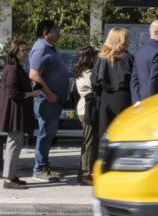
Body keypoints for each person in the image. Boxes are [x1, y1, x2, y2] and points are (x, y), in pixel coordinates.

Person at [28, 20, 70, 182]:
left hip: (53, 101)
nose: (58, 32)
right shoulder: (40, 48)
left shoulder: (48, 48)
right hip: (47, 101)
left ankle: (44, 166)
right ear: (46, 33)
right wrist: (49, 94)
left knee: (48, 133)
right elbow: (33, 74)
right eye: (55, 29)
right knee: (45, 133)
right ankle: (39, 169)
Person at [0, 40, 39, 189]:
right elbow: (13, 93)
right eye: (23, 50)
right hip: (14, 114)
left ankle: (12, 175)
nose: (26, 53)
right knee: (13, 146)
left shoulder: (16, 68)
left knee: (16, 145)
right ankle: (8, 179)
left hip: (18, 113)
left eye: (27, 50)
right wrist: (32, 93)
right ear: (15, 52)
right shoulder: (12, 69)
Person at [94, 28, 135, 142]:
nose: (129, 41)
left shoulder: (101, 57)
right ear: (121, 40)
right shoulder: (128, 57)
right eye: (126, 37)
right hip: (122, 96)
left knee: (105, 134)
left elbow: (94, 81)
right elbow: (133, 79)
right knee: (122, 132)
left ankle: (104, 158)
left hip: (105, 96)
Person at [131, 19, 158, 104]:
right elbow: (155, 80)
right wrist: (150, 104)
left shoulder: (140, 50)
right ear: (156, 33)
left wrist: (136, 101)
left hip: (141, 101)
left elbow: (134, 79)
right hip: (156, 103)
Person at [74, 46, 98, 186]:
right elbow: (97, 85)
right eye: (94, 56)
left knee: (89, 141)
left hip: (85, 109)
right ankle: (84, 174)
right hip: (87, 110)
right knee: (88, 142)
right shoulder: (87, 75)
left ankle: (85, 172)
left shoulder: (82, 73)